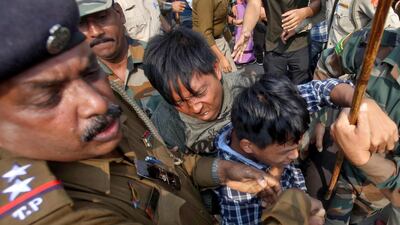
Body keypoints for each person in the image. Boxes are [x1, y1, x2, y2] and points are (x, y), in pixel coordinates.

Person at [0, 0, 296, 224]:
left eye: (90, 71)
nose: (97, 103)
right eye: (50, 96)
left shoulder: (106, 110)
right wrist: (292, 212)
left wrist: (220, 170)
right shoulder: (52, 213)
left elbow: (161, 164)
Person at [144, 27, 359, 155]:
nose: (195, 107)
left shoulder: (249, 84)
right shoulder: (167, 122)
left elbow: (309, 93)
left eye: (200, 93)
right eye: (180, 102)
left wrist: (359, 102)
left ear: (216, 69)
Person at [311, 28, 400, 225]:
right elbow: (326, 66)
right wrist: (320, 118)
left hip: (377, 195)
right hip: (333, 167)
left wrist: (362, 157)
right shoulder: (375, 41)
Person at [215, 75, 330, 225]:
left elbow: (319, 90)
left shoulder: (274, 118)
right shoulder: (237, 192)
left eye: (296, 146)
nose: (295, 155)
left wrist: (362, 103)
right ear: (248, 146)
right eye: (286, 151)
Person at [78, 0, 164, 117]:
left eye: (102, 17)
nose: (96, 32)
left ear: (119, 13)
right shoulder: (80, 85)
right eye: (82, 23)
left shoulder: (163, 59)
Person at [233, 0, 320, 84]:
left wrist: (305, 12)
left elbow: (317, 2)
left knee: (302, 89)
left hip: (301, 43)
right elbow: (254, 3)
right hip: (273, 45)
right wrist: (246, 30)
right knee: (275, 89)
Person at [192, 0, 237, 74]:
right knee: (229, 79)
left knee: (233, 78)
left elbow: (217, 14)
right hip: (210, 45)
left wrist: (233, 21)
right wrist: (221, 58)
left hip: (220, 40)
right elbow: (205, 34)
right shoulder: (205, 1)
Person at [115, 0, 185, 42]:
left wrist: (174, 35)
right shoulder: (117, 5)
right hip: (139, 60)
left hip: (160, 51)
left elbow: (158, 15)